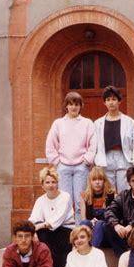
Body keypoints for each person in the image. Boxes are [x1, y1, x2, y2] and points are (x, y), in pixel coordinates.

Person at [45, 91, 96, 223]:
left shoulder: (87, 123)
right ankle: (66, 231)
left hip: (81, 167)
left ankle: (80, 232)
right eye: (71, 104)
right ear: (66, 106)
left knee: (80, 202)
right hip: (63, 167)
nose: (74, 107)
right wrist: (57, 162)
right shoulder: (58, 123)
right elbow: (50, 144)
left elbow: (93, 144)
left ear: (80, 106)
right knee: (64, 202)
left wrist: (86, 161)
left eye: (77, 104)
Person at [29, 167, 74, 267]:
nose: (51, 185)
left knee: (44, 231)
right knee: (41, 234)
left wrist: (39, 226)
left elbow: (58, 219)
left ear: (57, 183)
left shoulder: (65, 196)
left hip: (65, 230)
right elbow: (33, 219)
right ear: (42, 185)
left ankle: (56, 264)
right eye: (47, 182)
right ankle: (45, 263)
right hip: (48, 232)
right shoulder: (40, 200)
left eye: (53, 182)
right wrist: (33, 231)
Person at [94, 85, 134, 193]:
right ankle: (111, 210)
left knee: (124, 191)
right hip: (105, 159)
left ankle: (125, 210)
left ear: (119, 101)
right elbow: (95, 144)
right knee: (109, 192)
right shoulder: (98, 123)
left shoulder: (129, 122)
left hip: (123, 157)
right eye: (108, 100)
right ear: (104, 103)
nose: (111, 102)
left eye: (114, 99)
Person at [79, 166, 115, 248]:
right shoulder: (84, 196)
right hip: (91, 232)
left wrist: (100, 221)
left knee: (99, 224)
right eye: (94, 180)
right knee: (84, 223)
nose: (97, 182)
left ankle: (92, 253)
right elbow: (83, 219)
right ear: (90, 182)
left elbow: (114, 218)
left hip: (107, 232)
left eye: (100, 179)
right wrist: (91, 222)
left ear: (104, 181)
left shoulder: (112, 195)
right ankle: (82, 250)